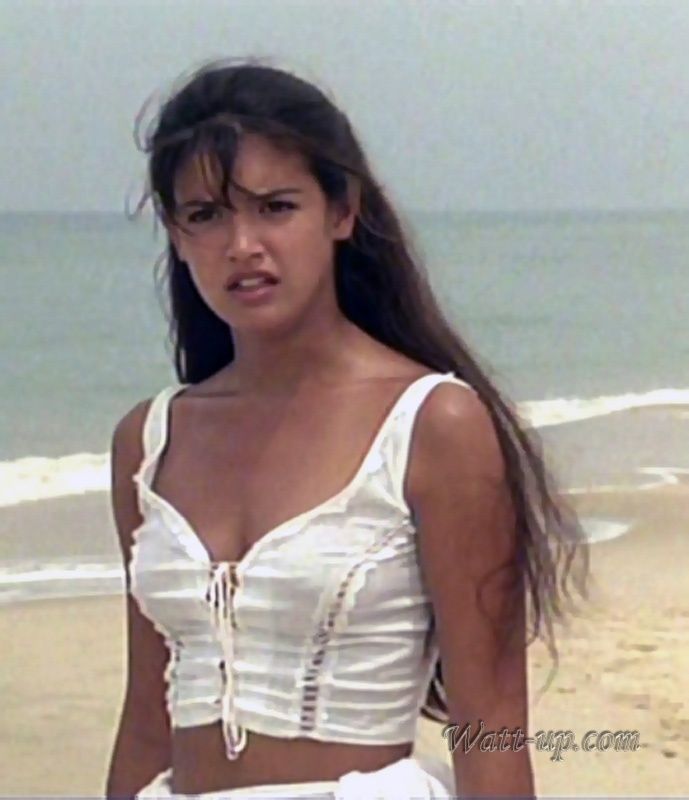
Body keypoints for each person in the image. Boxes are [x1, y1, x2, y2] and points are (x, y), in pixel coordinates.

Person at [105, 56, 589, 799]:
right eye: (205, 214)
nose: (242, 244)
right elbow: (147, 714)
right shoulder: (150, 440)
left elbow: (488, 719)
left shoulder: (432, 423)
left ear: (341, 210)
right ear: (175, 233)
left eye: (275, 206)